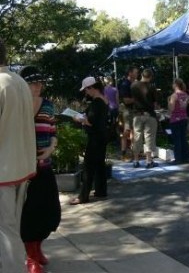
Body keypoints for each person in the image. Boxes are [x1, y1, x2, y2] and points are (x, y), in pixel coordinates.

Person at [19, 66, 61, 273]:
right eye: (33, 83)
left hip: (44, 166)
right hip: (23, 168)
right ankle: (29, 255)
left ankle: (38, 248)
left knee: (48, 210)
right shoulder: (17, 104)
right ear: (23, 84)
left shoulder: (48, 105)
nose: (38, 86)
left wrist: (51, 148)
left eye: (40, 83)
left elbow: (53, 130)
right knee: (28, 213)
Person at [0, 41, 36, 273]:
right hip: (21, 165)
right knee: (11, 228)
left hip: (3, 169)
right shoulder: (19, 81)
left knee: (5, 230)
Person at [70, 77, 109, 205]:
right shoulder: (104, 100)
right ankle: (101, 190)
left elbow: (90, 121)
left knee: (89, 166)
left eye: (86, 89)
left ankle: (83, 196)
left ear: (92, 88)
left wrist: (79, 119)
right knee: (99, 164)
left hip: (95, 138)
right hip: (102, 136)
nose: (86, 93)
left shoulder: (96, 102)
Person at [131, 68, 158, 168]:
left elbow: (132, 99)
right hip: (149, 114)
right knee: (149, 137)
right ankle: (149, 161)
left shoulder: (133, 85)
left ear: (141, 75)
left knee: (137, 137)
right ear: (150, 77)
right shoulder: (152, 86)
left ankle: (136, 160)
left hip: (137, 114)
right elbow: (154, 103)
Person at [168, 78, 189, 164]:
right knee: (183, 138)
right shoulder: (186, 94)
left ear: (175, 85)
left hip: (175, 119)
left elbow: (171, 108)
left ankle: (178, 158)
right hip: (184, 118)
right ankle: (186, 157)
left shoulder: (174, 96)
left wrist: (168, 103)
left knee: (177, 140)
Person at [118, 66, 138, 160]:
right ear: (130, 73)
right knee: (126, 131)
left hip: (134, 111)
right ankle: (123, 153)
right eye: (135, 72)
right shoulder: (125, 84)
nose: (137, 74)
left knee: (134, 132)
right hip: (127, 111)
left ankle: (134, 153)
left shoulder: (134, 83)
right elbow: (126, 100)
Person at [104, 75, 119, 142]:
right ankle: (115, 139)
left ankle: (108, 139)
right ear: (111, 81)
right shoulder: (115, 89)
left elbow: (104, 100)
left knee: (107, 124)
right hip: (114, 108)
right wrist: (118, 108)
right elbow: (117, 100)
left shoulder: (103, 90)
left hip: (107, 109)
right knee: (115, 124)